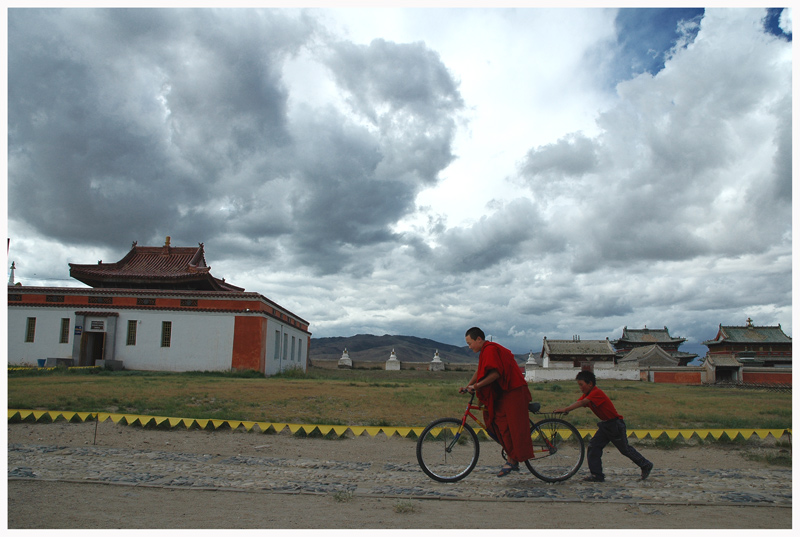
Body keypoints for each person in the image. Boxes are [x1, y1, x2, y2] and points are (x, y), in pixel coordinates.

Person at [553, 370, 653, 482]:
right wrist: (567, 410)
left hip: (615, 424)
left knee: (625, 449)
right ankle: (597, 475)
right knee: (593, 446)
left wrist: (565, 409)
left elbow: (582, 403)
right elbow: (579, 402)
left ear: (590, 383)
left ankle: (646, 465)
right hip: (606, 425)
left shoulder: (596, 393)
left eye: (582, 385)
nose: (580, 388)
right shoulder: (588, 394)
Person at [460, 327, 534, 477]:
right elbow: (480, 370)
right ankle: (512, 457)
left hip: (514, 391)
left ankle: (513, 459)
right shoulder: (485, 352)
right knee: (498, 424)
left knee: (507, 426)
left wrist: (476, 386)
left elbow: (495, 374)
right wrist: (469, 385)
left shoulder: (490, 350)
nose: (469, 347)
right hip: (505, 392)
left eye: (470, 343)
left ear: (479, 339)